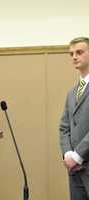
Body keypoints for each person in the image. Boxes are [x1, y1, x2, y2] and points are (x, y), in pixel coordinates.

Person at [60, 37, 89, 200]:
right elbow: (64, 128)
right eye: (71, 54)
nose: (74, 57)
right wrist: (67, 154)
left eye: (79, 52)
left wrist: (78, 155)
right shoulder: (71, 93)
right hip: (74, 170)